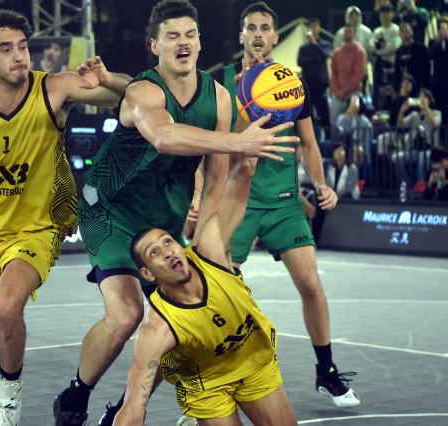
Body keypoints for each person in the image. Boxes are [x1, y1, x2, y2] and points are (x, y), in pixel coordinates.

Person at [52, 2, 298, 425]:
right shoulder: (142, 92)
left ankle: (127, 404)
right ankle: (75, 397)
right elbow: (164, 136)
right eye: (172, 36)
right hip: (110, 210)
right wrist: (239, 143)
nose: (183, 43)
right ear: (155, 46)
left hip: (163, 216)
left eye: (190, 34)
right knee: (128, 313)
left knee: (182, 319)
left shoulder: (219, 99)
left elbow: (218, 172)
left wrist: (206, 238)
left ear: (200, 41)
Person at [0, 10, 131, 425]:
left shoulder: (52, 88)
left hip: (35, 227)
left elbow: (134, 96)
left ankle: (9, 397)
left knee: (7, 303)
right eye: (6, 49)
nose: (19, 56)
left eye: (22, 47)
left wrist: (106, 79)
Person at [218, 2, 359, 409]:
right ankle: (219, 375)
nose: (259, 34)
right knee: (223, 292)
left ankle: (326, 371)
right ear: (241, 37)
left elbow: (309, 144)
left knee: (311, 284)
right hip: (236, 201)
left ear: (276, 37)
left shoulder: (293, 85)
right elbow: (212, 146)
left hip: (283, 202)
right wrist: (197, 198)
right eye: (251, 28)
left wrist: (321, 183)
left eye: (265, 28)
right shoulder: (224, 82)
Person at [115, 153, 298, 426]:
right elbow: (133, 406)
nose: (167, 252)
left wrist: (251, 139)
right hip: (206, 384)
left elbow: (242, 174)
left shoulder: (210, 251)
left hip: (254, 361)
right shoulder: (158, 328)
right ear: (147, 273)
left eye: (168, 242)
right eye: (154, 252)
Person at [330, 24, 367, 129]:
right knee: (334, 120)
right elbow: (333, 74)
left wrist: (344, 91)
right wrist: (337, 92)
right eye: (346, 31)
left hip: (354, 93)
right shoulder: (337, 52)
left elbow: (358, 76)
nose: (347, 33)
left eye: (350, 31)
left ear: (355, 33)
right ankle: (336, 145)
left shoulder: (360, 52)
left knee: (353, 122)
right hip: (338, 95)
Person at [297, 18, 332, 128]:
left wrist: (314, 43)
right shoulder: (303, 47)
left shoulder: (325, 44)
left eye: (315, 26)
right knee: (308, 110)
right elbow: (300, 62)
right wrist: (315, 58)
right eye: (310, 26)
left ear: (319, 28)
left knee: (323, 109)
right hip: (307, 83)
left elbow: (325, 55)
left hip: (320, 82)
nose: (312, 29)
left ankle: (327, 135)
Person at [371, 4, 401, 108]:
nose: (385, 15)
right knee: (378, 96)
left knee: (391, 94)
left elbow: (394, 46)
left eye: (388, 13)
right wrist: (381, 48)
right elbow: (371, 47)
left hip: (392, 67)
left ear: (392, 15)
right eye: (383, 13)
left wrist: (380, 50)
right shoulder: (377, 31)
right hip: (379, 67)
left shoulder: (396, 29)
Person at [393, 22, 430, 94]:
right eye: (402, 31)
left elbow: (427, 68)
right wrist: (397, 88)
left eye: (407, 31)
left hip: (419, 84)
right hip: (404, 87)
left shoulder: (420, 48)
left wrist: (425, 87)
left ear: (412, 32)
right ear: (399, 34)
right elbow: (397, 71)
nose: (404, 34)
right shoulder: (399, 51)